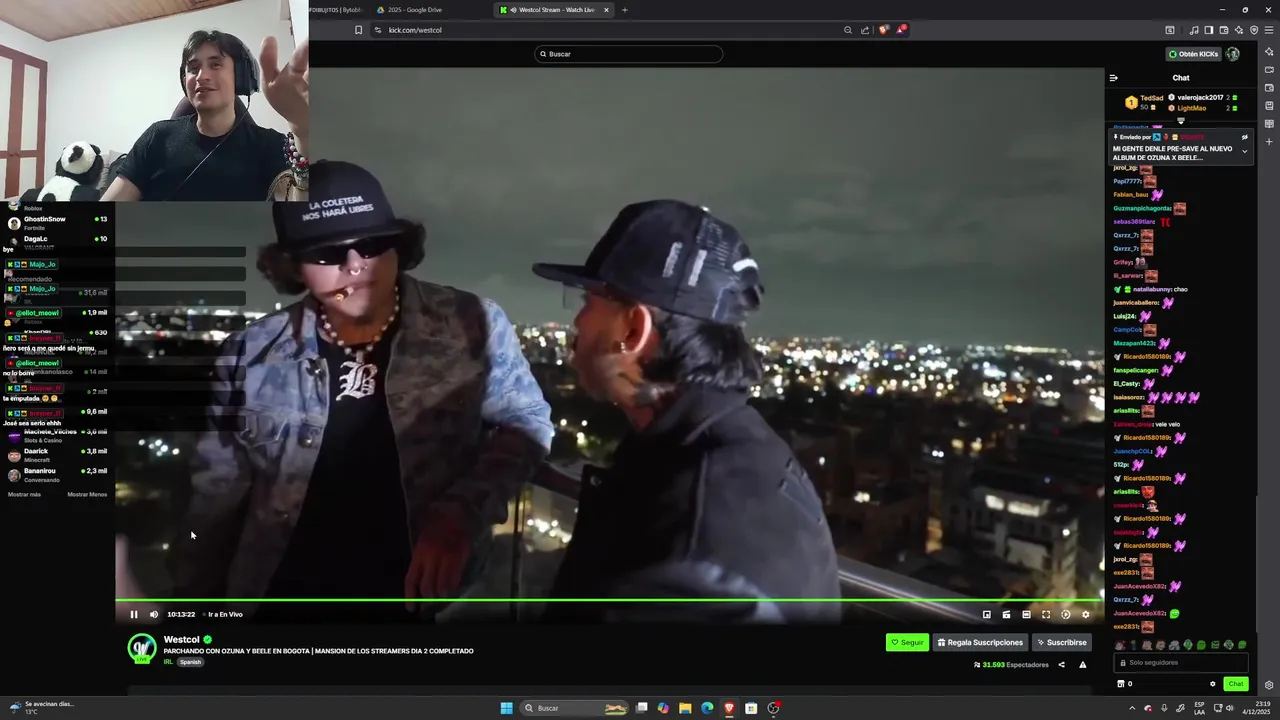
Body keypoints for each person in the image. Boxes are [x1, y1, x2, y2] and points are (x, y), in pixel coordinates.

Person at [168, 160, 554, 622]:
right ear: (292, 264)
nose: (355, 265)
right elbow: (216, 495)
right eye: (328, 253)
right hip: (280, 598)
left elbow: (526, 423)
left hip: (421, 600)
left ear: (399, 245)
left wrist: (460, 513)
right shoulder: (251, 353)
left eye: (372, 245)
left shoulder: (471, 324)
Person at [531, 200, 841, 623]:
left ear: (634, 330)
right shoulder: (708, 448)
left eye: (589, 301)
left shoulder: (699, 550)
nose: (577, 323)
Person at [102, 30, 310, 202]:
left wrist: (303, 131)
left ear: (241, 77)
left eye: (215, 64)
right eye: (193, 68)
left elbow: (300, 213)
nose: (202, 76)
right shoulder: (157, 137)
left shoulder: (268, 145)